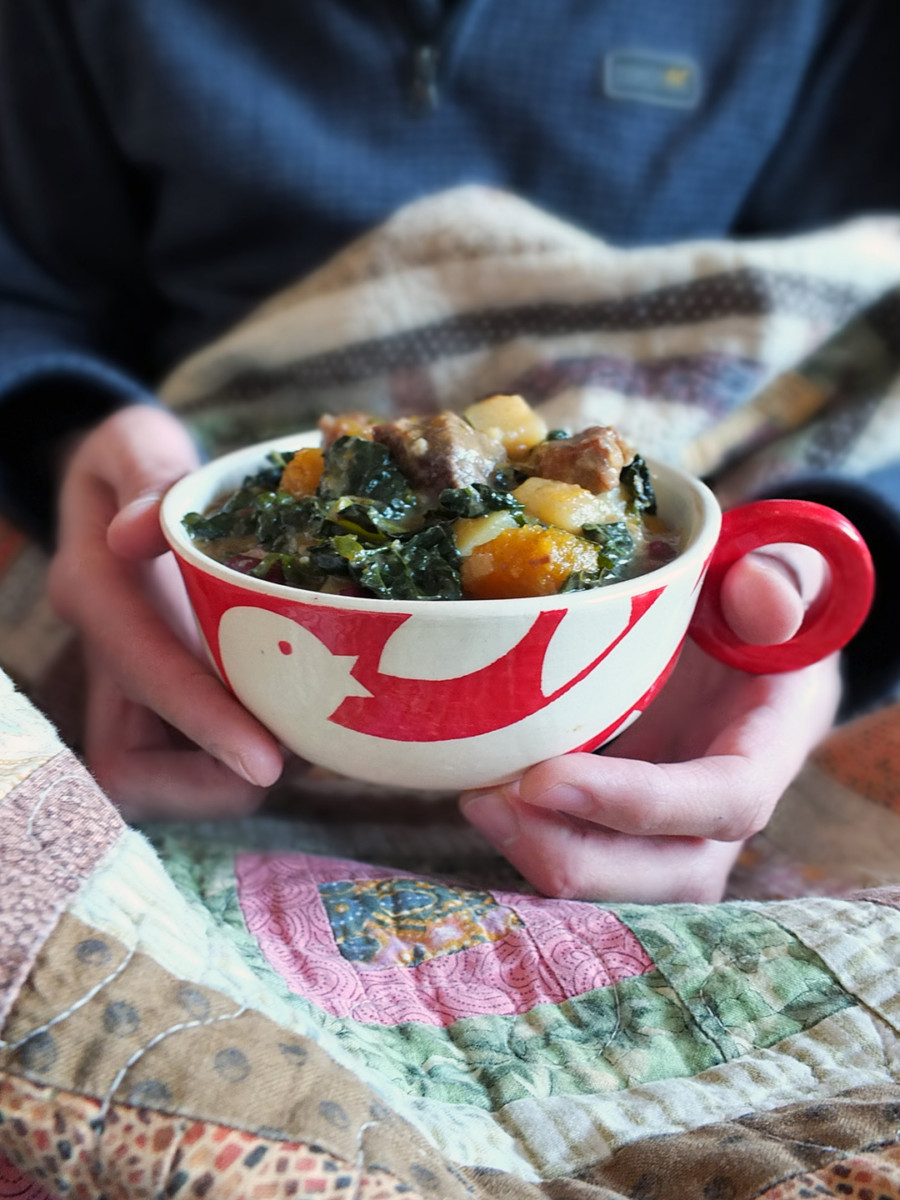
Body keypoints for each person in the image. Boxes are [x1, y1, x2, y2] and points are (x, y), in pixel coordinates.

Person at [1, 1, 899, 903]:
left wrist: (817, 580)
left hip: (682, 657)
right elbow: (24, 282)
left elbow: (867, 324)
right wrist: (69, 433)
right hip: (189, 624)